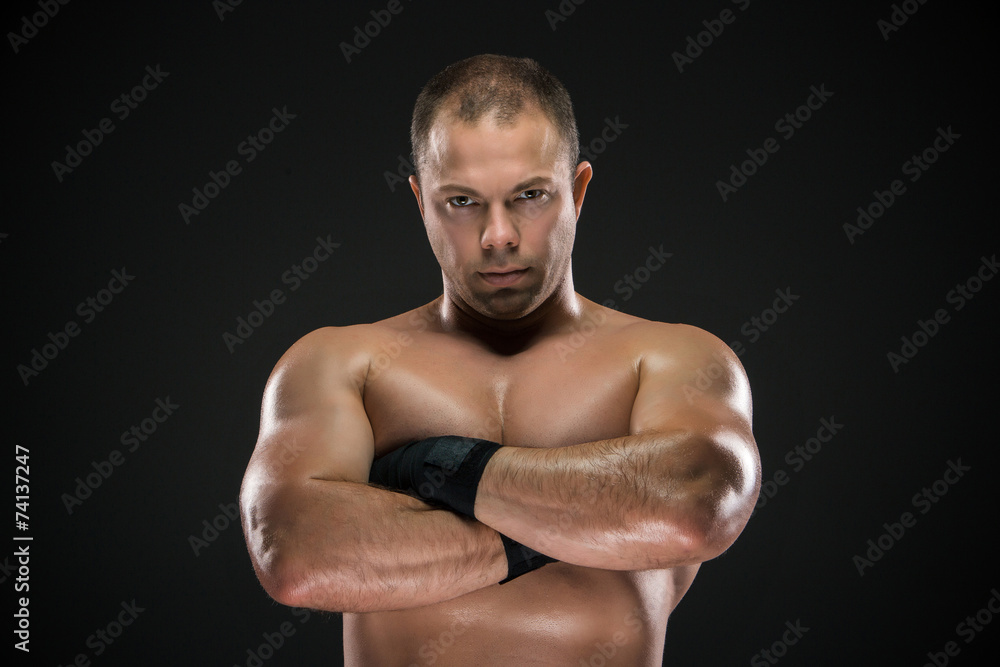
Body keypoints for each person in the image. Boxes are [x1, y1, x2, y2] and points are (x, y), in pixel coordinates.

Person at [239, 54, 761, 666]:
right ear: (420, 202)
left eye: (530, 195)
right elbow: (294, 554)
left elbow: (696, 506)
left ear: (579, 190)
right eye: (462, 201)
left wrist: (435, 467)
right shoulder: (341, 363)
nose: (498, 236)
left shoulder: (671, 357)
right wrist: (591, 521)